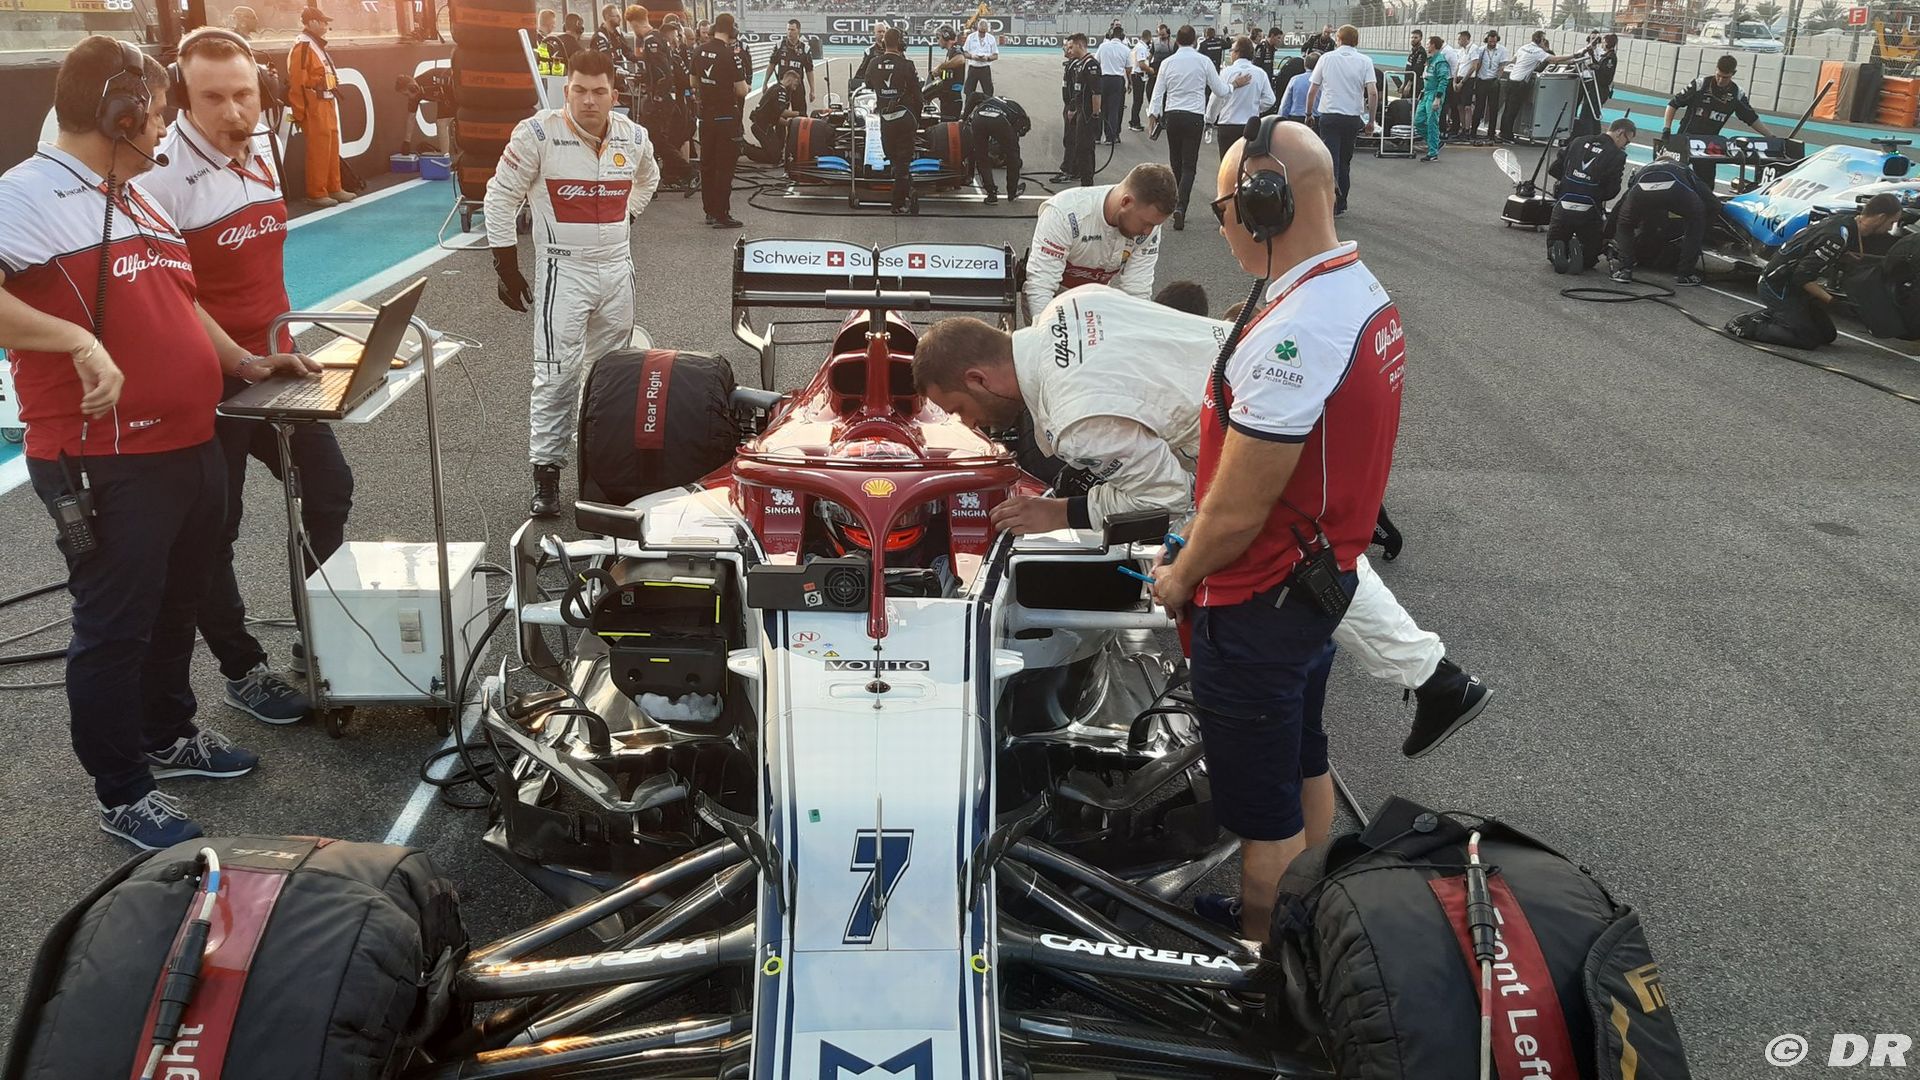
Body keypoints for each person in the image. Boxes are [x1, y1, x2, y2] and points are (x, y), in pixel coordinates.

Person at [914, 286, 1487, 757]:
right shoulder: (1071, 304)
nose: (975, 425)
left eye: (963, 410)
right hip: (1276, 389)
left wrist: (1061, 512)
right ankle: (1437, 679)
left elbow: (1167, 495)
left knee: (1306, 558)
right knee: (1315, 554)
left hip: (1259, 430)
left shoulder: (1071, 418)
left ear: (979, 378)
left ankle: (1435, 680)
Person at [0, 36, 318, 848]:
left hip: (189, 441)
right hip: (105, 459)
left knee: (180, 601)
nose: (164, 127)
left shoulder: (134, 194)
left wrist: (244, 361)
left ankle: (168, 733)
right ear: (121, 110)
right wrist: (76, 341)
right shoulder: (25, 194)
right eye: (159, 110)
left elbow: (181, 304)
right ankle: (122, 789)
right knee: (116, 628)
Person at [1151, 119, 1406, 943]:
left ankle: (1266, 966)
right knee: (1303, 758)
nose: (1223, 226)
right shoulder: (1356, 290)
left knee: (1265, 824)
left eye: (1223, 208)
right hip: (1316, 583)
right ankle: (1311, 922)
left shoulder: (1297, 331)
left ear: (1264, 204)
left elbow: (1238, 509)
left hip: (1257, 600)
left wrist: (1180, 575)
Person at [142, 27, 356, 724]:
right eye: (213, 98)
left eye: (244, 94)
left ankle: (322, 630)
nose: (233, 112)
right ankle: (243, 668)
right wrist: (238, 358)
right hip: (209, 381)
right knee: (215, 528)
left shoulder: (258, 141)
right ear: (183, 98)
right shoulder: (159, 175)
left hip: (279, 362)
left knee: (329, 486)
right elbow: (170, 297)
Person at [485, 48, 661, 518]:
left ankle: (603, 466)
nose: (588, 100)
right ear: (567, 91)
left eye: (599, 91)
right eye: (579, 90)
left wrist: (627, 215)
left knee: (611, 375)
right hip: (564, 271)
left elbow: (650, 178)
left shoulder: (633, 136)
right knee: (556, 373)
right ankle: (546, 473)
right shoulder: (538, 133)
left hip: (617, 270)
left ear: (614, 95)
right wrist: (506, 264)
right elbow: (499, 196)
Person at [1728, 193, 1904, 348]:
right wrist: (1833, 302)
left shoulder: (1846, 223)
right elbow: (1801, 277)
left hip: (1793, 286)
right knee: (1806, 338)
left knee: (1827, 335)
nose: (1891, 228)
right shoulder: (1837, 236)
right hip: (1776, 284)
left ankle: (1776, 316)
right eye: (1891, 222)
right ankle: (1747, 325)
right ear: (1880, 217)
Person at [1022, 163, 1173, 316]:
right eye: (1146, 223)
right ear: (1126, 202)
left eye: (1154, 225)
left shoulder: (1148, 223)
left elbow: (1137, 291)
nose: (1148, 232)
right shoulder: (1065, 214)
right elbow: (1040, 286)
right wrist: (1043, 328)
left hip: (1094, 301)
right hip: (1052, 299)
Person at [1147, 25, 1248, 230]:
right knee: (1189, 166)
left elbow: (1158, 92)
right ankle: (1181, 206)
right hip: (1194, 115)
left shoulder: (1167, 62)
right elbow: (1220, 90)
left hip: (1173, 114)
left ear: (1177, 41)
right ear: (1195, 41)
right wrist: (1234, 85)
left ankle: (1175, 203)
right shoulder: (1203, 61)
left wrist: (1153, 114)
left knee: (1176, 162)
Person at [1664, 54, 1774, 190]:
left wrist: (1770, 136)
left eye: (1725, 77)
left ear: (1733, 74)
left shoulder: (1737, 94)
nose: (1721, 80)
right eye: (1718, 75)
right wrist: (1666, 128)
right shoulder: (1699, 85)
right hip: (1685, 139)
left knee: (1707, 186)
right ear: (1716, 69)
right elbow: (1673, 104)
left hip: (1709, 145)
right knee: (1673, 178)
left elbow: (1751, 118)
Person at [1545, 117, 1633, 273]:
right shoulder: (1617, 155)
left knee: (1555, 241)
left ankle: (1556, 250)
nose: (1625, 146)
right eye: (1627, 142)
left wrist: (1570, 184)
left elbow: (1554, 169)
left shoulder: (1578, 141)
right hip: (1589, 209)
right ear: (1620, 133)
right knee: (1591, 258)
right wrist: (1595, 193)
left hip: (1563, 204)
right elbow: (1612, 190)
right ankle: (1582, 252)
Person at [1305, 25, 1375, 217]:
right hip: (1352, 116)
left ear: (1338, 39)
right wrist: (1371, 120)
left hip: (1330, 114)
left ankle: (1330, 200)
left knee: (1330, 159)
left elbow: (1313, 90)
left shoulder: (1326, 58)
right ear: (1356, 41)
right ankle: (1342, 202)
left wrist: (1308, 113)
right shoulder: (1365, 61)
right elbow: (1372, 92)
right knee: (1345, 161)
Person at [1609, 154, 1710, 287]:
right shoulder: (1682, 168)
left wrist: (1606, 234)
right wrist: (1707, 227)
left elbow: (1622, 204)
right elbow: (1708, 197)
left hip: (1642, 192)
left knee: (1625, 224)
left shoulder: (1645, 169)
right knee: (1696, 221)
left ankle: (1625, 271)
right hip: (1676, 191)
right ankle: (1685, 275)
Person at [287, 6, 349, 208]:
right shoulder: (303, 46)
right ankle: (316, 192)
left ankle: (334, 187)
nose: (326, 26)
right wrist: (299, 112)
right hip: (314, 104)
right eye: (323, 22)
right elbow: (297, 82)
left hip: (327, 101)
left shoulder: (316, 44)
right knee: (319, 149)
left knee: (332, 145)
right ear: (312, 22)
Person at [692, 13, 748, 228]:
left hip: (706, 117)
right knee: (724, 167)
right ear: (732, 30)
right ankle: (722, 214)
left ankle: (709, 211)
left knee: (707, 164)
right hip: (726, 117)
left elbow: (693, 82)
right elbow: (742, 90)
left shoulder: (698, 51)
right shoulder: (731, 55)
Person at [866, 27, 922, 216]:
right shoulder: (907, 65)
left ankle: (904, 188)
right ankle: (898, 203)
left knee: (893, 158)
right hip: (905, 118)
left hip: (886, 119)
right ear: (900, 43)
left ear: (883, 43)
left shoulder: (873, 63)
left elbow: (868, 83)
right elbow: (918, 96)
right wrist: (917, 119)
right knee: (903, 162)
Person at [636, 12, 691, 186]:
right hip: (670, 99)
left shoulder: (656, 43)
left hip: (668, 100)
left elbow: (668, 75)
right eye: (674, 33)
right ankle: (671, 174)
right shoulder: (666, 47)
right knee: (658, 138)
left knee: (658, 138)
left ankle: (686, 172)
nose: (676, 37)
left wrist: (658, 97)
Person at [1500, 30, 1581, 143]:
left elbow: (1514, 61)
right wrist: (1573, 56)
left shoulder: (1524, 47)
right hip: (1520, 83)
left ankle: (1503, 132)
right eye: (1543, 40)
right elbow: (1554, 59)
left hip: (1511, 80)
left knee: (1507, 109)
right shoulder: (1537, 51)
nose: (1544, 42)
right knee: (1513, 110)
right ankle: (1507, 135)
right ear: (1539, 40)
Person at [1208, 36, 1274, 163]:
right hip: (1250, 126)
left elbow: (1216, 98)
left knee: (1227, 164)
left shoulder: (1227, 72)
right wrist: (1255, 106)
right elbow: (1270, 99)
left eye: (1232, 50)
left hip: (1228, 124)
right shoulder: (1260, 73)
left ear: (1238, 52)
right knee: (1248, 164)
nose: (1231, 54)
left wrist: (1209, 119)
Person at [966, 93, 1028, 205]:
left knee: (981, 157)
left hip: (978, 118)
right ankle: (1012, 192)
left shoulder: (990, 99)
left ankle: (991, 194)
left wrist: (963, 117)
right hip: (998, 120)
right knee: (1013, 155)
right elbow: (1014, 138)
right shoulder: (1021, 114)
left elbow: (974, 96)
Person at [1059, 33, 1101, 188]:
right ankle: (1084, 178)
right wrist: (1073, 109)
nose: (1069, 50)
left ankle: (1087, 182)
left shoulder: (1091, 65)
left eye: (1071, 47)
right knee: (1080, 147)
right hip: (1080, 111)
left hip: (1087, 113)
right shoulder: (1080, 64)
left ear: (1080, 45)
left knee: (1085, 148)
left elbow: (1096, 93)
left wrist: (1095, 115)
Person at [746, 67, 804, 164]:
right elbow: (782, 112)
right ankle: (744, 148)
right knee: (775, 157)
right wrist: (799, 114)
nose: (795, 88)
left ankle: (751, 150)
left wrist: (788, 124)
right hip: (761, 126)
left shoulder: (776, 88)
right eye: (795, 84)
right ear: (789, 80)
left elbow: (775, 116)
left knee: (778, 153)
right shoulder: (780, 91)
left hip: (764, 125)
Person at [1465, 30, 1507, 142]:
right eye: (1490, 40)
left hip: (1493, 81)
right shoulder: (1481, 50)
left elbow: (1501, 66)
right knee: (1479, 107)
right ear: (1487, 40)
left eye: (1494, 40)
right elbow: (1477, 65)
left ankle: (1491, 133)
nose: (1492, 42)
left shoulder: (1502, 50)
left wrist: (1497, 79)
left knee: (1493, 108)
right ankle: (1473, 131)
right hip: (1482, 81)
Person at [1414, 35, 1449, 162]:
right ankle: (1435, 142)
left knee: (1432, 122)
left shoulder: (1440, 61)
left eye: (1428, 44)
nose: (1427, 46)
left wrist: (1438, 98)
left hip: (1434, 94)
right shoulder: (1430, 60)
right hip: (1426, 93)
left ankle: (1433, 152)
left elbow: (1443, 80)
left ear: (1433, 45)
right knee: (1418, 121)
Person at [766, 19, 814, 111]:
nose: (789, 32)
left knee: (800, 114)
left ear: (798, 31)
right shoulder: (779, 46)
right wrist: (765, 83)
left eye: (792, 30)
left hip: (797, 87)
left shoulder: (805, 49)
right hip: (782, 87)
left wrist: (812, 90)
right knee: (779, 113)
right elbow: (771, 65)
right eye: (788, 29)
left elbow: (809, 70)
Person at [1097, 26, 1132, 146]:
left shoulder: (1103, 46)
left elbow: (1097, 62)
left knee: (1100, 108)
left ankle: (1097, 136)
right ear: (1122, 37)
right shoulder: (1126, 49)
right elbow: (1128, 69)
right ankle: (1110, 137)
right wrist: (1129, 82)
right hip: (1117, 80)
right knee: (1114, 110)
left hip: (1104, 78)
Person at [932, 28, 967, 121]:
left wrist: (941, 67)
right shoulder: (950, 51)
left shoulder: (956, 49)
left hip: (952, 98)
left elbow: (961, 59)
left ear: (945, 37)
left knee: (949, 126)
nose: (938, 41)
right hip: (947, 97)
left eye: (938, 38)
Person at [964, 21, 999, 112]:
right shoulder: (971, 37)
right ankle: (967, 112)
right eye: (980, 31)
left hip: (985, 68)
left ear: (987, 30)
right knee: (969, 92)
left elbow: (996, 55)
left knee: (988, 92)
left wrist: (987, 58)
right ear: (977, 29)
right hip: (973, 68)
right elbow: (965, 52)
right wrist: (972, 56)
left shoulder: (991, 38)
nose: (982, 34)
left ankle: (989, 111)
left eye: (984, 32)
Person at [1442, 29, 1471, 137]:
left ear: (1465, 39)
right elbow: (1457, 67)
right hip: (1456, 79)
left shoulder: (1473, 49)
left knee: (1464, 106)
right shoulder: (1460, 51)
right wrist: (1455, 81)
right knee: (1457, 105)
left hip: (1464, 80)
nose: (1458, 41)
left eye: (1459, 39)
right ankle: (1459, 128)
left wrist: (1460, 82)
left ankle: (1465, 129)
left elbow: (1473, 66)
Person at [1277, 51, 1316, 123]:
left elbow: (1285, 103)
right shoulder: (1324, 81)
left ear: (1305, 65)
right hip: (1317, 117)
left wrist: (1281, 119)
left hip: (1296, 117)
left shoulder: (1295, 79)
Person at [850, 23, 886, 94]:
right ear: (874, 33)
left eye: (883, 31)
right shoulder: (869, 51)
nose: (882, 34)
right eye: (879, 32)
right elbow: (863, 69)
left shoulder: (893, 50)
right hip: (874, 85)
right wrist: (855, 82)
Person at [1129, 29, 1153, 132]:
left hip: (1137, 75)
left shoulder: (1139, 46)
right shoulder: (1141, 48)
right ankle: (1134, 122)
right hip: (1138, 75)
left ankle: (1134, 121)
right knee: (1138, 100)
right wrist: (1150, 70)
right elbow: (1142, 64)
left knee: (1137, 100)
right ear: (1149, 37)